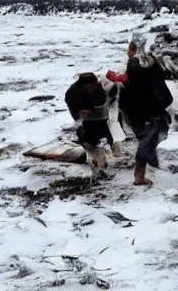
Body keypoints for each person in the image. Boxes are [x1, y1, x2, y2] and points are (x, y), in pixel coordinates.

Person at [120, 44, 172, 187]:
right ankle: (139, 176)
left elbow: (122, 101)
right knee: (147, 142)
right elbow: (167, 98)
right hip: (151, 114)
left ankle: (152, 163)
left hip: (134, 116)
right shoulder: (152, 79)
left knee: (145, 139)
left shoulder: (128, 80)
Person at [64, 72, 112, 177]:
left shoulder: (100, 88)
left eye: (93, 85)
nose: (91, 88)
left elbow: (105, 101)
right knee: (88, 140)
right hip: (85, 119)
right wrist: (79, 114)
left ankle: (104, 160)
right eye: (88, 87)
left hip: (100, 116)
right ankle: (94, 163)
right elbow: (73, 110)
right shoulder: (72, 93)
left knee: (107, 137)